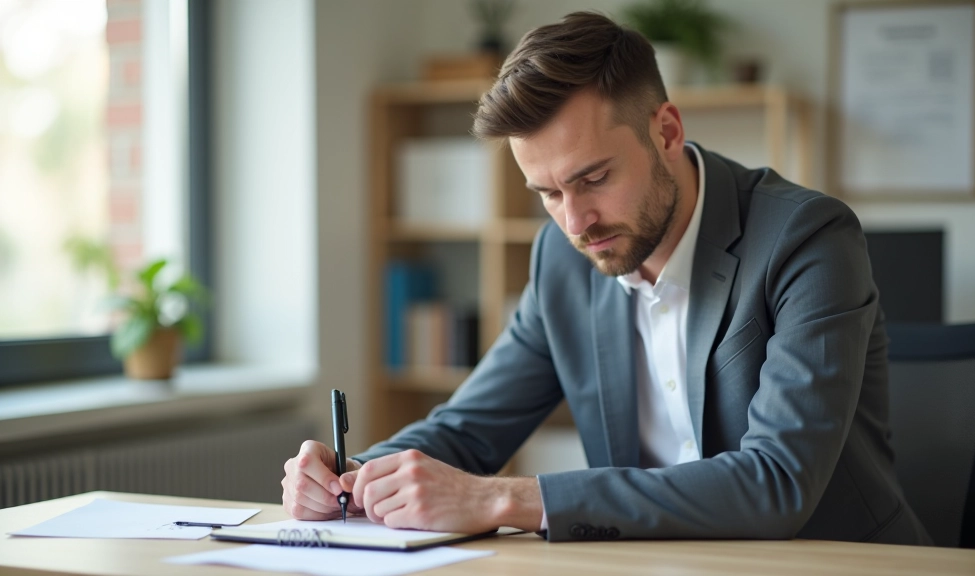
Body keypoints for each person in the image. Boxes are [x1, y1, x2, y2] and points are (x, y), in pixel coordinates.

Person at [282, 11, 932, 545]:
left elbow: (776, 483)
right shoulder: (563, 258)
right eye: (547, 192)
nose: (576, 220)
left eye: (593, 179)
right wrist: (358, 475)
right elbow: (468, 430)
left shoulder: (807, 240)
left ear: (668, 131)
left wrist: (504, 498)